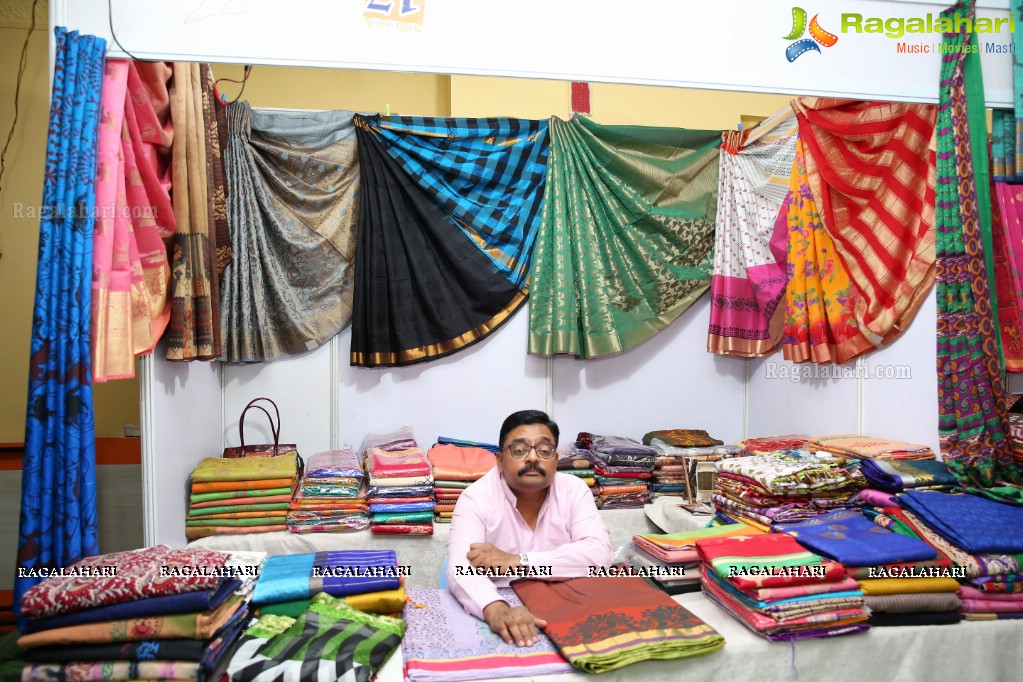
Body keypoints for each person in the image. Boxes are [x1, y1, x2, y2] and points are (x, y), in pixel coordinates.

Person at [446, 409, 614, 647]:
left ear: (555, 461)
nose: (533, 458)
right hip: (501, 603)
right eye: (520, 449)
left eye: (544, 450)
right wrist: (495, 609)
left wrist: (519, 561)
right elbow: (460, 567)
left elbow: (600, 555)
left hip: (569, 604)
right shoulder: (476, 498)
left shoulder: (574, 490)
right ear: (500, 461)